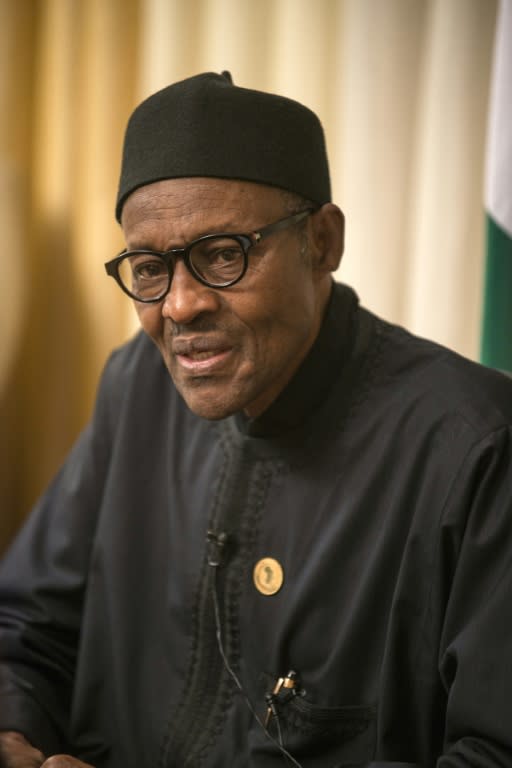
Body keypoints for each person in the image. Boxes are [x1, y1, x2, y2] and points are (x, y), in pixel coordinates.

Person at [0, 71, 511, 768]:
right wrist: (15, 737)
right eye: (150, 268)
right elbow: (26, 628)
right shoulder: (135, 384)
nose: (179, 306)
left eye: (220, 255)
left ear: (322, 243)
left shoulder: (475, 445)